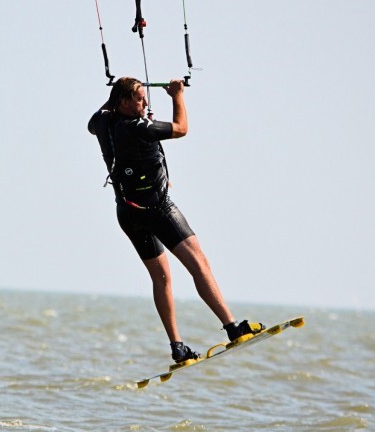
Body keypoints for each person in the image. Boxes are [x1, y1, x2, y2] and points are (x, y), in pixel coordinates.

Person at [88, 77, 264, 363]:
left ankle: (178, 347)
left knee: (162, 279)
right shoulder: (139, 128)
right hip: (157, 209)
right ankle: (233, 327)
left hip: (127, 212)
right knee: (199, 264)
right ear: (123, 102)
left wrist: (119, 94)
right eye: (139, 98)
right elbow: (182, 129)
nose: (145, 103)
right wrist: (176, 95)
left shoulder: (102, 123)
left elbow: (95, 119)